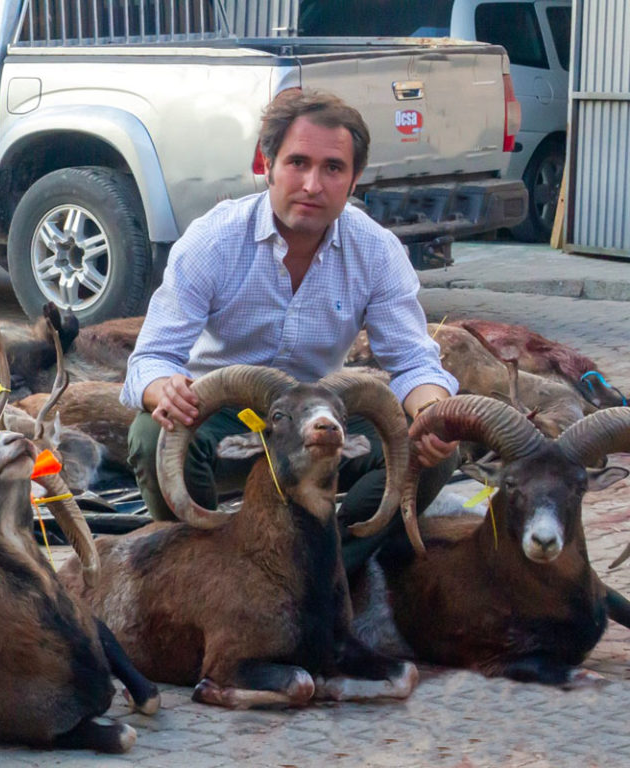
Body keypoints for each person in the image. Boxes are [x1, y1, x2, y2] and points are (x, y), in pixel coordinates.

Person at [121, 89, 459, 571]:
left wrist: (430, 410)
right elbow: (151, 359)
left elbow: (412, 361)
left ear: (354, 178)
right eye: (297, 162)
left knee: (434, 448)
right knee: (152, 436)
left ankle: (331, 565)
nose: (313, 185)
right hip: (226, 414)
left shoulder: (376, 251)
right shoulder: (213, 240)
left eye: (333, 168)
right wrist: (163, 390)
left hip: (321, 414)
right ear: (266, 163)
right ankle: (210, 564)